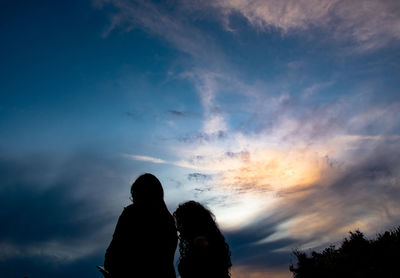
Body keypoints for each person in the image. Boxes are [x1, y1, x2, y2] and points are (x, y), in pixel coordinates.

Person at [104, 173, 177, 278]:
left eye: (135, 196)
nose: (134, 201)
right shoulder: (169, 221)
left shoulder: (130, 214)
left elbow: (111, 256)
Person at [173, 201, 232, 278]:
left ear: (190, 222)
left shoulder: (200, 243)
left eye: (180, 223)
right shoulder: (211, 241)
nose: (178, 228)